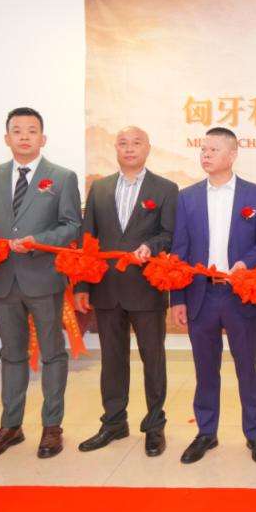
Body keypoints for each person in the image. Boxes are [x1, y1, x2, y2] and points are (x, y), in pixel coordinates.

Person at [0, 107, 81, 460]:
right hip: (2, 280)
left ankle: (52, 426)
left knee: (53, 354)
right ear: (7, 138)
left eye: (31, 130)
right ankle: (11, 426)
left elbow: (71, 226)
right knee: (12, 354)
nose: (24, 136)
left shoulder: (62, 177)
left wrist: (39, 240)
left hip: (44, 278)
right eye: (17, 130)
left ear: (42, 138)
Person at [171, 127, 256, 466]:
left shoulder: (255, 195)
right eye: (203, 149)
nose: (206, 155)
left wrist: (246, 262)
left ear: (232, 155)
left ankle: (255, 434)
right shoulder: (187, 197)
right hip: (200, 294)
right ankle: (206, 432)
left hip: (239, 295)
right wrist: (177, 299)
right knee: (205, 369)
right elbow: (179, 251)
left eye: (213, 149)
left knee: (247, 367)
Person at [74, 126, 178, 456]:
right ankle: (114, 422)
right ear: (115, 148)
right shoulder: (100, 188)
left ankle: (155, 425)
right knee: (112, 359)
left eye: (136, 143)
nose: (129, 148)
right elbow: (87, 240)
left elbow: (170, 234)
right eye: (123, 143)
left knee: (153, 358)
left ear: (148, 148)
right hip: (106, 289)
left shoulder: (165, 189)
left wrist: (151, 246)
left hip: (146, 288)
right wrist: (81, 285)